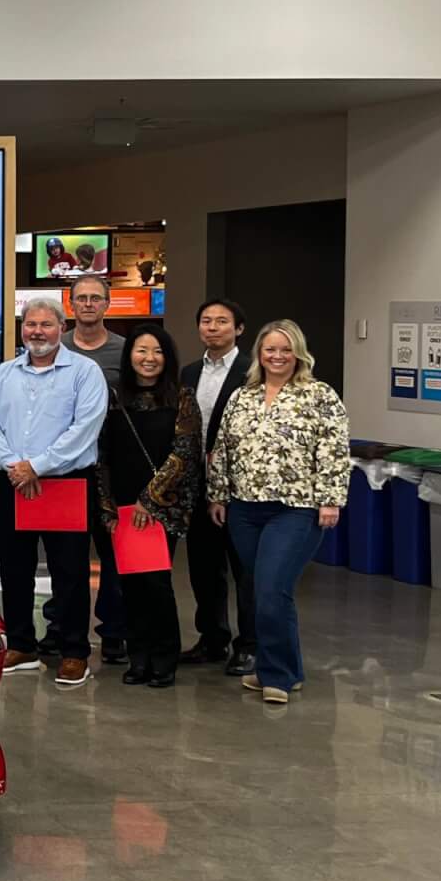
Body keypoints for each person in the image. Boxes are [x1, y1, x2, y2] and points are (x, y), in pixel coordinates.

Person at [207, 319, 349, 706]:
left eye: (286, 349)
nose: (278, 356)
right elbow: (223, 447)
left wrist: (331, 498)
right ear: (259, 353)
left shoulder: (319, 395)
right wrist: (218, 495)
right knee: (264, 591)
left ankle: (277, 676)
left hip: (296, 509)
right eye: (270, 349)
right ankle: (287, 667)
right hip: (244, 509)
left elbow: (334, 449)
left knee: (272, 589)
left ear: (299, 353)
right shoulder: (243, 395)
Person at [0, 296, 109, 686]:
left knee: (69, 571)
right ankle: (21, 645)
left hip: (64, 483)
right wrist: (16, 467)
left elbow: (85, 428)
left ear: (61, 328)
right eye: (31, 324)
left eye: (46, 324)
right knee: (14, 568)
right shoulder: (3, 374)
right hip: (11, 481)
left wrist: (37, 465)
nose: (37, 332)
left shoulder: (84, 372)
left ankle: (74, 652)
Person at [95, 326, 202, 688]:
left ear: (167, 357)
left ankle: (163, 657)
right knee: (129, 585)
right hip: (122, 509)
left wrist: (149, 500)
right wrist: (107, 507)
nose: (149, 358)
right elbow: (102, 455)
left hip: (161, 508)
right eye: (141, 350)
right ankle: (138, 656)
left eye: (157, 351)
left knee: (156, 584)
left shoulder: (182, 397)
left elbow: (184, 453)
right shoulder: (114, 397)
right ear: (130, 356)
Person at [182, 296, 255, 675]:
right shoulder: (189, 372)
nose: (212, 327)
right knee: (204, 567)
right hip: (197, 485)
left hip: (240, 487)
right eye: (206, 321)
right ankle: (212, 638)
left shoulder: (254, 371)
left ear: (238, 329)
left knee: (245, 569)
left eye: (222, 321)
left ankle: (250, 644)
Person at [60, 272, 129, 663]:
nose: (88, 304)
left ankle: (114, 629)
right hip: (65, 467)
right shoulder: (56, 347)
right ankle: (61, 626)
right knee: (65, 554)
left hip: (112, 467)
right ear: (71, 304)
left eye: (95, 298)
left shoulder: (125, 351)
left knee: (113, 551)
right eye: (81, 298)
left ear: (107, 304)